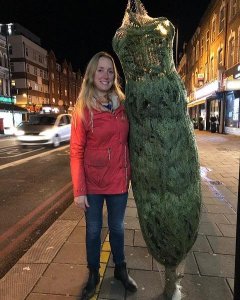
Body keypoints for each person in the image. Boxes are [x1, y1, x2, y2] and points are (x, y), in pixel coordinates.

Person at [70, 51, 137, 300]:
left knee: (118, 228)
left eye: (110, 71)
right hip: (93, 183)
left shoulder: (123, 104)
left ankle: (120, 270)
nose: (105, 75)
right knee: (94, 230)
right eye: (100, 70)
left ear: (114, 76)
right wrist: (79, 190)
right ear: (91, 74)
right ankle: (93, 274)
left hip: (119, 179)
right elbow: (76, 151)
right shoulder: (83, 109)